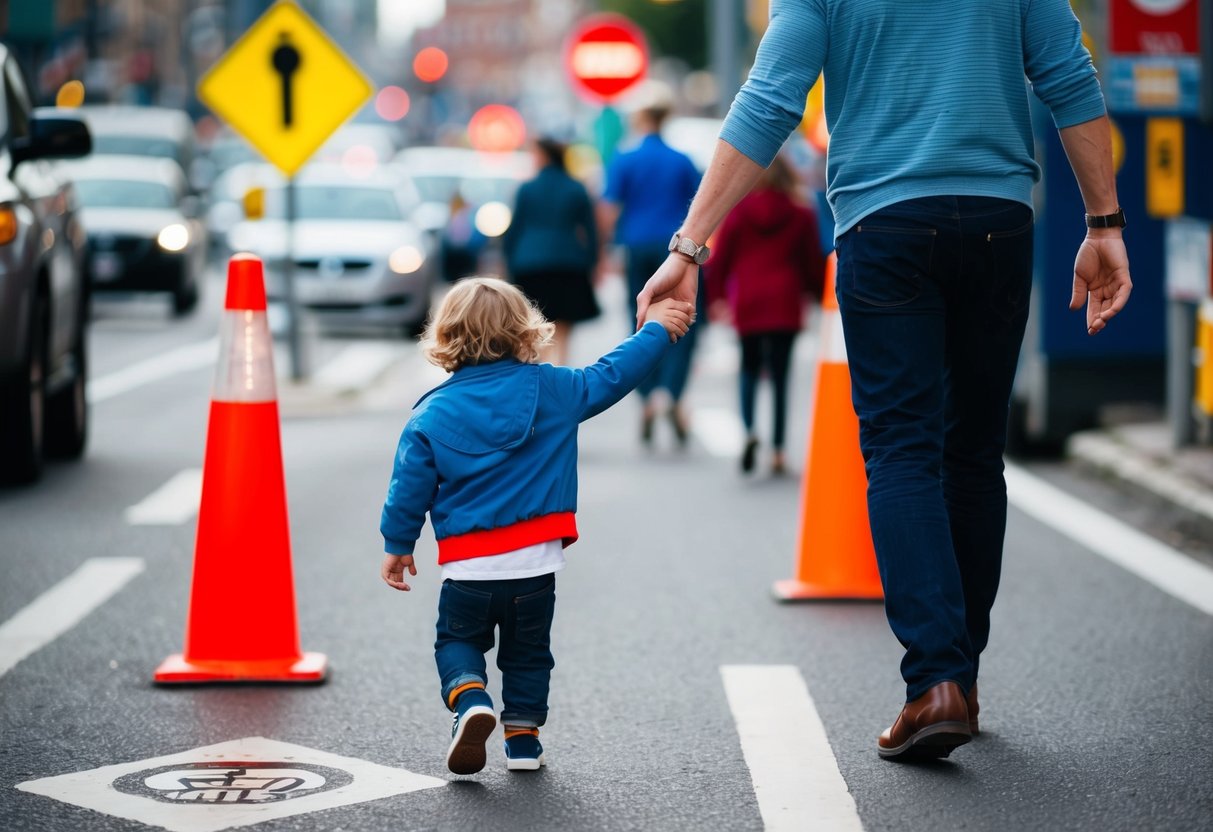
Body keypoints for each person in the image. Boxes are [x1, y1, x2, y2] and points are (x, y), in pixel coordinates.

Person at [637, 1, 1131, 760]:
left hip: (884, 224)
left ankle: (935, 682)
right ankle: (959, 680)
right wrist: (1104, 227)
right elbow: (1068, 77)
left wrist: (689, 246)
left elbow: (769, 101)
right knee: (971, 452)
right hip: (999, 222)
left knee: (902, 449)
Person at [379, 277, 693, 775]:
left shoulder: (431, 413)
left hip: (468, 571)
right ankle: (522, 743)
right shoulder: (556, 389)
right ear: (524, 330)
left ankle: (469, 699)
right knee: (527, 656)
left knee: (457, 643)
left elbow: (408, 487)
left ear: (445, 337)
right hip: (533, 565)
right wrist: (655, 330)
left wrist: (397, 544)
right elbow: (612, 374)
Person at [599, 81, 703, 446]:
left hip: (636, 246)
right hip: (675, 249)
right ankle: (671, 393)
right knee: (683, 320)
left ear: (641, 118)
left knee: (640, 315)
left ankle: (646, 396)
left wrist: (602, 252)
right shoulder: (682, 160)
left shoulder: (624, 159)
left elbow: (609, 209)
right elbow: (701, 208)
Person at [706, 153, 824, 476]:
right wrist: (817, 295)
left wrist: (716, 297)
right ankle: (778, 451)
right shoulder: (801, 213)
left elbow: (721, 259)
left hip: (749, 299)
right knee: (781, 377)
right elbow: (812, 261)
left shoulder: (738, 212)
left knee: (749, 368)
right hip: (785, 300)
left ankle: (749, 431)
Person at [504, 136, 600, 365]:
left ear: (543, 156)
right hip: (568, 262)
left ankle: (540, 367)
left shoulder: (526, 189)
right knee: (565, 322)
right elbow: (591, 231)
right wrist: (591, 261)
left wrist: (509, 262)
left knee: (534, 322)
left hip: (529, 263)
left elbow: (514, 230)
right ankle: (561, 367)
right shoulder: (576, 188)